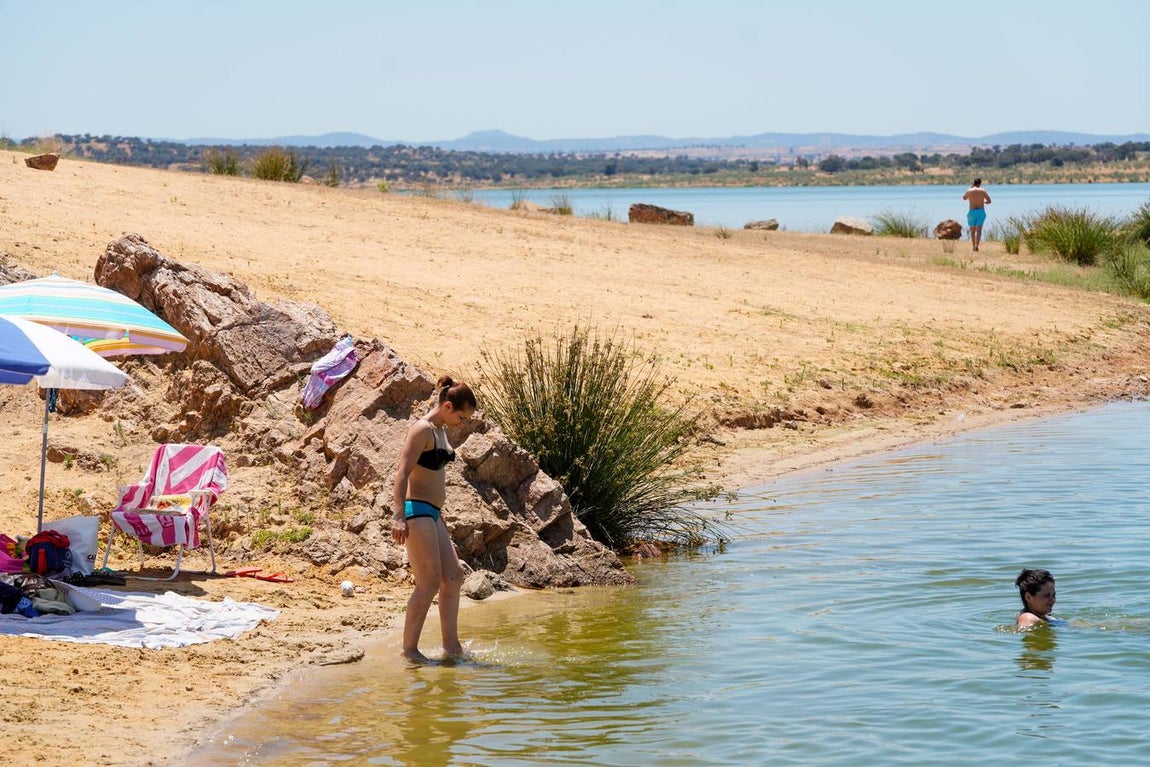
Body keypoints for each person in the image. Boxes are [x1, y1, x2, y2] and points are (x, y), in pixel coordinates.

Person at [391, 376, 478, 661]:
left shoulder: (439, 430)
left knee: (453, 578)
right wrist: (398, 516)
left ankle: (451, 648)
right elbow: (402, 472)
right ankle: (409, 651)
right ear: (448, 406)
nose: (462, 423)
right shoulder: (421, 429)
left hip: (434, 515)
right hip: (416, 512)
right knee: (427, 582)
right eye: (462, 417)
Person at [962, 178, 992, 252]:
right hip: (981, 212)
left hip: (972, 212)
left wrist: (971, 191)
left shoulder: (969, 190)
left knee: (972, 231)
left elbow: (964, 198)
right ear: (980, 183)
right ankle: (977, 246)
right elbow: (989, 201)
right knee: (979, 230)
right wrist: (983, 202)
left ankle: (973, 246)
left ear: (973, 183)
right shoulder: (982, 190)